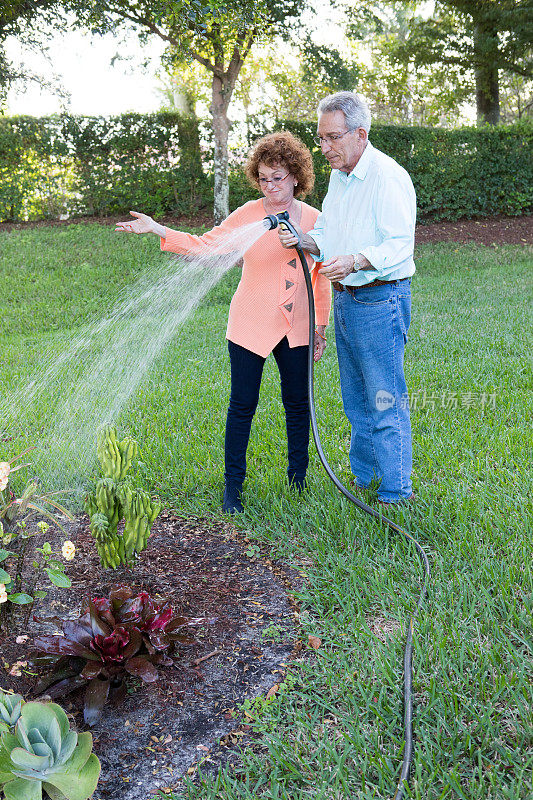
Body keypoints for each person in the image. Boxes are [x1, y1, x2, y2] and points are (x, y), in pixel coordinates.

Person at [115, 131, 331, 514]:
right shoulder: (249, 214)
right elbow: (206, 245)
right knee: (242, 405)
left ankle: (297, 482)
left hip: (298, 325)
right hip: (249, 324)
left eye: (277, 177)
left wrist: (320, 326)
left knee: (297, 404)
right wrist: (160, 230)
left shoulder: (315, 220)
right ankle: (234, 489)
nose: (270, 185)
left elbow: (321, 275)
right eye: (263, 178)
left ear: (296, 176)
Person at [279, 92, 416, 505]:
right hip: (345, 300)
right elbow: (330, 233)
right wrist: (306, 240)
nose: (324, 149)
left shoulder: (388, 178)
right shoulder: (340, 179)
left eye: (332, 138)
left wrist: (357, 259)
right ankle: (365, 478)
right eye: (321, 139)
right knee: (356, 398)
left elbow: (400, 244)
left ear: (360, 133)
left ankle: (396, 493)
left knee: (383, 398)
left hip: (379, 299)